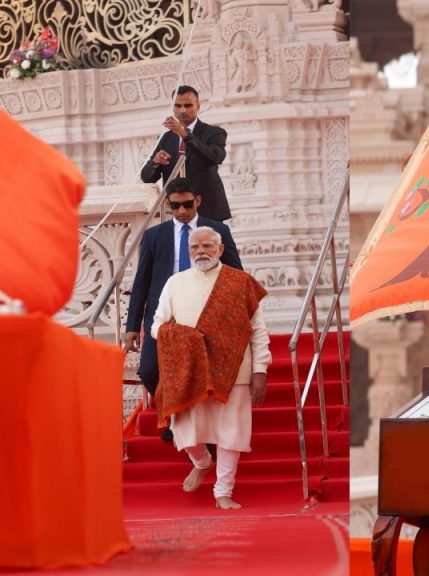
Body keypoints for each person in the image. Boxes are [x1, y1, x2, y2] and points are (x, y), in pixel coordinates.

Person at [150, 226, 270, 509]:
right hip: (189, 370)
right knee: (182, 427)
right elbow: (157, 325)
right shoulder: (175, 283)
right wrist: (183, 336)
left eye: (207, 246)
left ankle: (223, 492)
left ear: (219, 249)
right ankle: (202, 461)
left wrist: (260, 371)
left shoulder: (241, 283)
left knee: (231, 432)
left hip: (235, 370)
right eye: (195, 247)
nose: (200, 251)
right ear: (188, 250)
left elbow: (258, 330)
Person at [124, 177, 242, 440]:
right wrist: (132, 327)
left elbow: (236, 274)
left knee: (201, 373)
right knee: (150, 370)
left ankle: (192, 430)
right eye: (175, 206)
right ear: (168, 204)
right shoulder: (154, 236)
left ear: (197, 200)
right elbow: (141, 281)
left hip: (205, 313)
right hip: (164, 313)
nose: (182, 211)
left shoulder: (216, 229)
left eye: (187, 204)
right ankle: (172, 412)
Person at [141, 85, 232, 222]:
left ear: (198, 106)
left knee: (216, 244)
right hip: (177, 212)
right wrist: (155, 162)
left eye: (188, 105)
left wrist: (185, 135)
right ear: (172, 107)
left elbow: (215, 157)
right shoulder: (165, 138)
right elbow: (146, 178)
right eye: (177, 106)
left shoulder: (214, 132)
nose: (182, 110)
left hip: (208, 211)